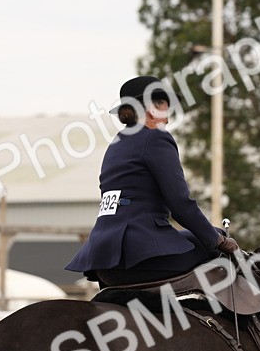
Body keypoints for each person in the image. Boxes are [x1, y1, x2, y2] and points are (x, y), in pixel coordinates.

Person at [65, 76, 238, 287]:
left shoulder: (117, 144)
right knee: (220, 256)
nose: (167, 119)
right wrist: (218, 241)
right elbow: (181, 204)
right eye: (165, 110)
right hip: (140, 253)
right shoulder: (156, 138)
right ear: (152, 109)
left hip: (102, 254)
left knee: (206, 237)